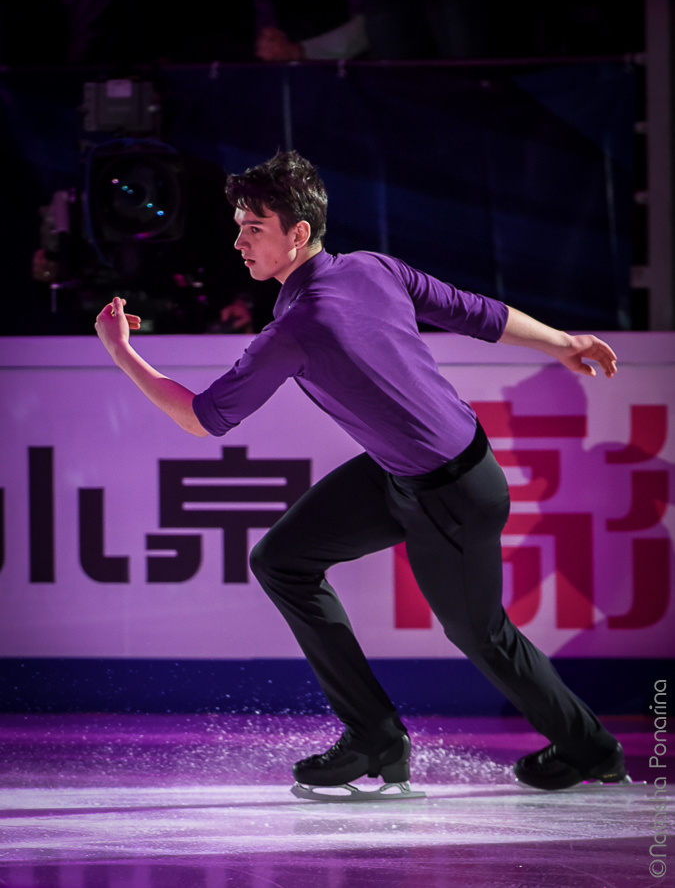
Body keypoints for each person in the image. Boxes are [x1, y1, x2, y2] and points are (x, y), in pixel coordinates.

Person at [95, 149, 627, 795]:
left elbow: (202, 419)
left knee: (479, 633)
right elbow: (473, 312)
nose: (238, 242)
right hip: (402, 474)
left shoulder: (296, 325)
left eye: (252, 229)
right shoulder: (370, 268)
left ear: (297, 234)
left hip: (452, 494)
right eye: (237, 226)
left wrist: (123, 354)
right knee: (282, 560)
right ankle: (373, 737)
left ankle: (589, 749)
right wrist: (562, 342)